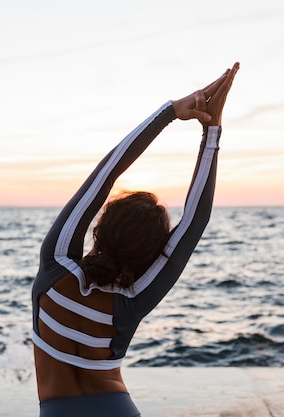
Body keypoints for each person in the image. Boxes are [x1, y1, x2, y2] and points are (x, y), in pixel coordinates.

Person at [31, 62, 240, 417]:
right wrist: (212, 131)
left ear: (100, 226)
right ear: (152, 253)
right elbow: (195, 221)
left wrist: (170, 112)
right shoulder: (133, 300)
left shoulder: (55, 270)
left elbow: (105, 175)